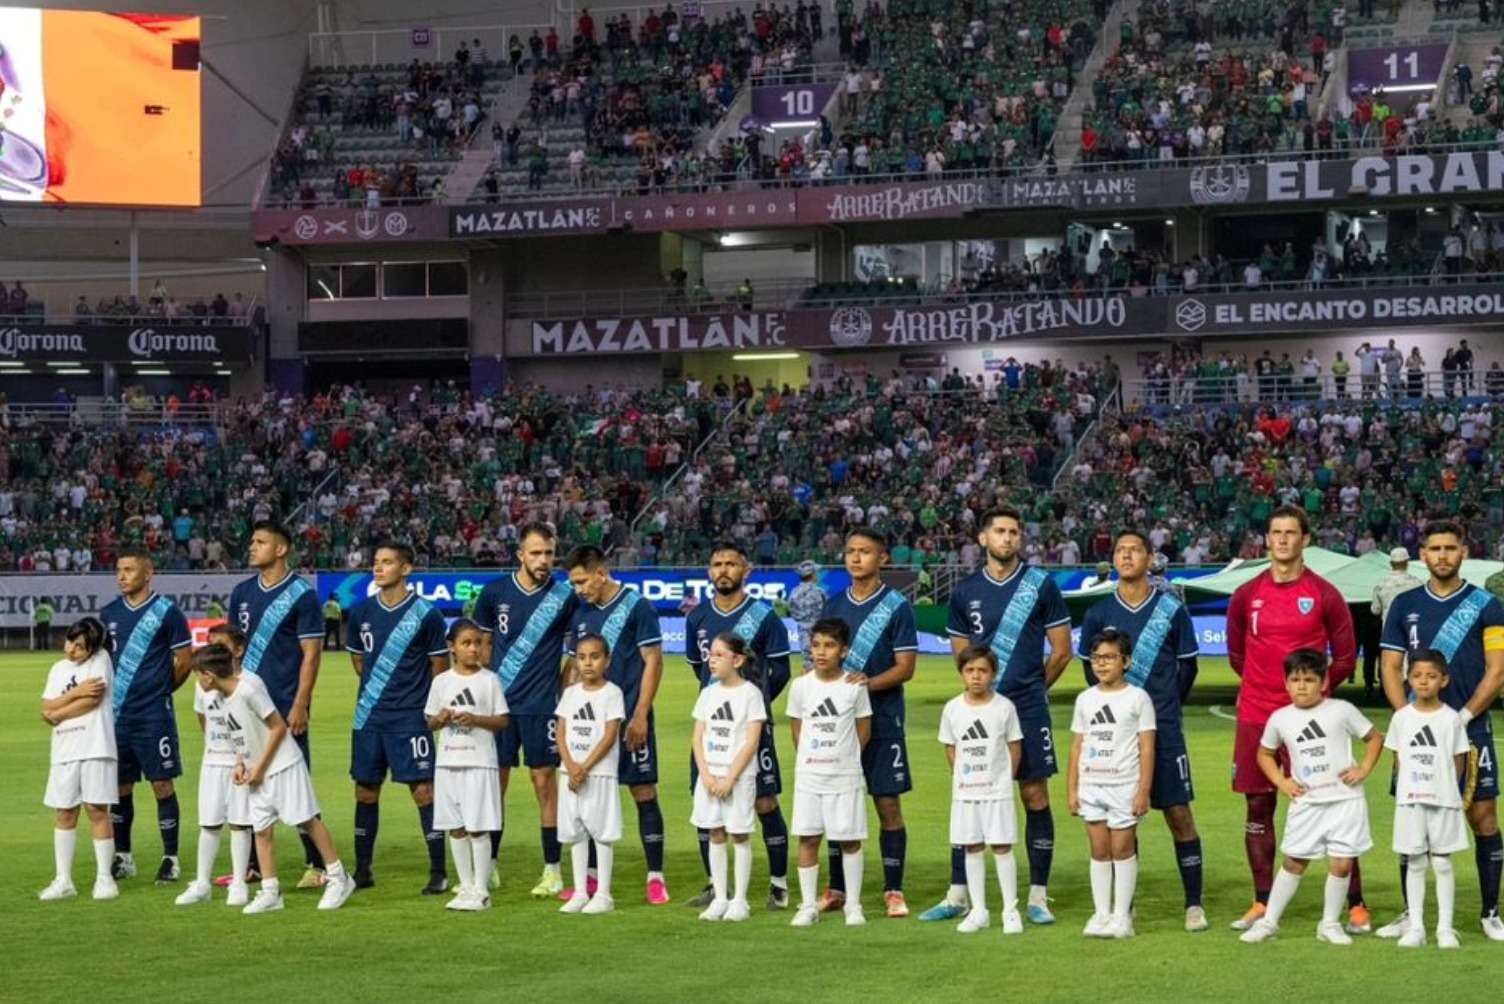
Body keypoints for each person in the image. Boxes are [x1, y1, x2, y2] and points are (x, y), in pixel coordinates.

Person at [1226, 506, 1363, 933]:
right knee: (1258, 804)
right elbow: (1236, 655)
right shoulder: (1246, 594)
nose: (1283, 540)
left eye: (1291, 533)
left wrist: (1316, 699)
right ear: (1267, 540)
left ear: (1306, 539)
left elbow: (1344, 655)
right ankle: (1262, 901)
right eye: (1275, 533)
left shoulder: (1325, 593)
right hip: (1256, 712)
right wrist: (1269, 691)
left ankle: (1355, 903)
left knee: (1337, 803)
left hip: (1313, 720)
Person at [932, 507, 1071, 925]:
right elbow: (962, 655)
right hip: (977, 711)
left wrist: (1027, 693)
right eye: (1000, 531)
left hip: (1026, 706)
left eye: (1014, 532)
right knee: (969, 795)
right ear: (983, 538)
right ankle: (959, 893)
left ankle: (1038, 896)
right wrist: (982, 693)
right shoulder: (965, 591)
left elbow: (1061, 650)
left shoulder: (1040, 585)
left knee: (1034, 795)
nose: (1008, 538)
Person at [1378, 519, 1504, 941]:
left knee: (1483, 817)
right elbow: (1391, 667)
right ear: (1423, 555)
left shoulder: (1487, 604)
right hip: (1417, 736)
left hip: (1472, 730)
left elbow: (1498, 670)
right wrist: (1405, 719)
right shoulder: (1404, 605)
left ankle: (1489, 912)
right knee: (1412, 816)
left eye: (1451, 548)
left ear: (1463, 552)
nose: (1443, 555)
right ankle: (1410, 914)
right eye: (1435, 549)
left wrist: (1463, 717)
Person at [1078, 530, 1207, 931]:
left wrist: (1163, 706)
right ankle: (1122, 909)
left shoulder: (1171, 609)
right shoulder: (1099, 612)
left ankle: (1193, 904)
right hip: (1113, 738)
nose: (1127, 555)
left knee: (1178, 813)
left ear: (1150, 558)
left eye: (1135, 550)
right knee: (1121, 822)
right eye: (1120, 550)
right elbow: (1089, 669)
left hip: (1164, 730)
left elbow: (1188, 667)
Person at [194, 643, 356, 914]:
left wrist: (260, 768)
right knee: (262, 830)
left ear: (209, 675)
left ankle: (339, 877)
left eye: (199, 674)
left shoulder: (248, 690)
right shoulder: (219, 699)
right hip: (257, 772)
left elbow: (278, 727)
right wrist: (240, 763)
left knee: (307, 821)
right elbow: (239, 734)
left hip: (283, 766)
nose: (197, 681)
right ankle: (270, 892)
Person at [1240, 649, 1382, 945]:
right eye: (1295, 679)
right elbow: (1264, 753)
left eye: (1309, 679)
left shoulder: (1341, 709)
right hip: (1307, 803)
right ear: (1286, 683)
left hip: (1345, 801)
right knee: (1294, 862)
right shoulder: (1280, 718)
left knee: (1342, 864)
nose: (1302, 685)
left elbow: (1374, 738)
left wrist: (1364, 769)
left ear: (1324, 681)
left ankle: (1329, 924)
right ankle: (1269, 923)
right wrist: (1282, 781)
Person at [684, 541, 793, 910]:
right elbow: (697, 669)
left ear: (745, 570)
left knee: (764, 801)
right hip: (711, 728)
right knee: (707, 800)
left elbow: (781, 670)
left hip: (750, 730)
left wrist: (750, 706)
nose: (724, 570)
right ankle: (717, 886)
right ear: (709, 571)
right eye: (717, 563)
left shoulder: (765, 617)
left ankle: (779, 884)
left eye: (732, 563)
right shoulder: (697, 617)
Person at [473, 521, 578, 897]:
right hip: (500, 707)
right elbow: (482, 644)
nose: (543, 560)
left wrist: (565, 685)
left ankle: (552, 870)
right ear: (520, 554)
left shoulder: (565, 597)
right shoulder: (495, 592)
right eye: (535, 552)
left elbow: (579, 649)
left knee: (544, 784)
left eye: (549, 553)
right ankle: (490, 867)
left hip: (541, 707)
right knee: (493, 784)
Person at [819, 527, 919, 918]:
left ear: (884, 558)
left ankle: (893, 890)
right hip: (838, 724)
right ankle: (837, 889)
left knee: (887, 803)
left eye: (865, 552)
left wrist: (866, 685)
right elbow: (821, 660)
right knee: (835, 804)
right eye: (850, 551)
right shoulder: (832, 604)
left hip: (884, 719)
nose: (856, 558)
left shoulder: (897, 606)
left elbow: (906, 668)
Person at [346, 541, 451, 893]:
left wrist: (426, 707)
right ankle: (363, 869)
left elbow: (440, 668)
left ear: (405, 569)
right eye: (376, 562)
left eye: (387, 562)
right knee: (365, 791)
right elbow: (359, 661)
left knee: (423, 791)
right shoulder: (361, 612)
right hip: (369, 716)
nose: (378, 568)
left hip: (410, 718)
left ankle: (438, 871)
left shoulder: (427, 615)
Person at [564, 544, 667, 904]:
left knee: (643, 791)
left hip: (629, 716)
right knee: (589, 794)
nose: (579, 589)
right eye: (574, 583)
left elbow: (653, 661)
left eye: (582, 581)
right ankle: (589, 878)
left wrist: (640, 713)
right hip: (589, 723)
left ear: (601, 573)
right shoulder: (581, 614)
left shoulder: (635, 606)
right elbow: (574, 668)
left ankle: (655, 876)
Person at [228, 521, 327, 888]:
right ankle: (254, 864)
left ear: (281, 549)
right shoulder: (241, 593)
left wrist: (302, 702)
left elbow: (311, 654)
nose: (252, 546)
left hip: (284, 705)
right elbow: (232, 651)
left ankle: (317, 864)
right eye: (252, 540)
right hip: (246, 706)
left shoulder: (301, 594)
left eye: (261, 542)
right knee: (249, 778)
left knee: (295, 783)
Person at [102, 546, 193, 884]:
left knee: (162, 784)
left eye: (128, 569)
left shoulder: (167, 612)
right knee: (119, 787)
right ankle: (123, 857)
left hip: (154, 716)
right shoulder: (109, 613)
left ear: (147, 573)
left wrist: (161, 691)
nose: (122, 576)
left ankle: (171, 858)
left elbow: (184, 660)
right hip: (117, 716)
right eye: (119, 569)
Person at [1070, 628, 1156, 938]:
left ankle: (1123, 917)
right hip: (1091, 785)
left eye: (1109, 657)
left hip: (1124, 785)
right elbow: (1077, 746)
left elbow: (1147, 746)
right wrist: (1072, 789)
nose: (1102, 664)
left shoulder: (1137, 698)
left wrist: (1143, 790)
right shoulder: (1085, 699)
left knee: (1122, 849)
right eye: (1097, 658)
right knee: (1098, 850)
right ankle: (1101, 913)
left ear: (1126, 661)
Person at [787, 618, 873, 928]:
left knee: (849, 840)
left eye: (830, 645)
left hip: (845, 775)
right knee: (808, 838)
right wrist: (813, 758)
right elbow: (797, 729)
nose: (821, 652)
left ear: (844, 649)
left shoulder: (855, 687)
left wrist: (844, 759)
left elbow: (863, 730)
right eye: (816, 645)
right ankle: (808, 906)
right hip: (810, 776)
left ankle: (853, 904)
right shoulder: (801, 686)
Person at [1383, 649, 1469, 949]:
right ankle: (1417, 927)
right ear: (1408, 679)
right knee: (1415, 861)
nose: (1424, 682)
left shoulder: (1452, 719)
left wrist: (1446, 789)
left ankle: (1445, 928)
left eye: (1431, 676)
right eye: (1417, 676)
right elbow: (1398, 758)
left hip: (1444, 800)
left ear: (1443, 680)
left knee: (1443, 863)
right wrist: (1411, 789)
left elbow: (1459, 760)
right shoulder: (1401, 718)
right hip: (1411, 800)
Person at [424, 619, 510, 912]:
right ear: (452, 647)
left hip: (479, 763)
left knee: (477, 828)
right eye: (467, 643)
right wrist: (442, 719)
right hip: (448, 762)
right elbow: (430, 722)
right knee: (456, 828)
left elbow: (502, 720)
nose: (474, 649)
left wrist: (475, 719)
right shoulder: (441, 682)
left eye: (478, 643)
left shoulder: (490, 680)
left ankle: (482, 890)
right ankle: (466, 886)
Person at [938, 645, 1023, 934]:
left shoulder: (1004, 707)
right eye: (970, 670)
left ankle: (1010, 911)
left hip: (996, 791)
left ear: (993, 674)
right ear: (961, 673)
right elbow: (951, 748)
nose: (976, 676)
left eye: (982, 671)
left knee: (1001, 846)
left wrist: (1002, 779)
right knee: (972, 846)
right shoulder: (952, 708)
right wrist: (962, 775)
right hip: (965, 792)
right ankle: (979, 910)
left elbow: (1014, 746)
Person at [38, 618, 118, 902]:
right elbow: (44, 705)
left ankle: (105, 878)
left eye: (80, 647)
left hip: (95, 745)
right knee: (64, 812)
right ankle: (63, 880)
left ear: (93, 648)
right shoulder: (58, 668)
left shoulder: (101, 660)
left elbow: (92, 700)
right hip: (63, 749)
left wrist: (58, 713)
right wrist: (74, 693)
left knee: (97, 810)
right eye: (70, 642)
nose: (71, 650)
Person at [689, 633, 768, 922]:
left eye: (719, 655)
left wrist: (730, 778)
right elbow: (698, 737)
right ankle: (720, 897)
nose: (712, 659)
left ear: (737, 659)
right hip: (710, 776)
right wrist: (707, 776)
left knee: (739, 833)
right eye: (711, 654)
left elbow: (751, 742)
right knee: (715, 832)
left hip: (738, 777)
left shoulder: (750, 694)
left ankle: (740, 901)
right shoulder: (708, 694)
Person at [175, 626, 254, 907]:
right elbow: (203, 717)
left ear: (236, 650)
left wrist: (243, 758)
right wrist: (214, 745)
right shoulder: (202, 685)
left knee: (240, 824)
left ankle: (240, 884)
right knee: (208, 823)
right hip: (212, 761)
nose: (215, 649)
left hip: (241, 763)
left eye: (220, 645)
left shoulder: (247, 684)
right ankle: (202, 883)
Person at [554, 633, 624, 915]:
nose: (587, 663)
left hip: (600, 773)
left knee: (602, 831)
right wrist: (570, 765)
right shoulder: (571, 694)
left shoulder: (612, 693)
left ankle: (604, 894)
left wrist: (585, 766)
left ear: (606, 661)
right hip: (569, 774)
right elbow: (561, 730)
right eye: (581, 657)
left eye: (594, 657)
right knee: (576, 831)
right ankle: (581, 891)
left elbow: (609, 735)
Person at [1368, 547, 1421, 697]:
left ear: (1391, 563)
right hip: (1412, 631)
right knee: (1410, 665)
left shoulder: (1381, 585)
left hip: (1389, 632)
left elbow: (1375, 610)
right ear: (1407, 562)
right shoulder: (1416, 583)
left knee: (1391, 666)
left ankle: (1393, 698)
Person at [787, 560, 826, 669]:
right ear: (813, 574)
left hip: (801, 632)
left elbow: (790, 612)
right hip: (818, 631)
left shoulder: (794, 592)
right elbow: (827, 612)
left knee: (807, 663)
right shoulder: (819, 592)